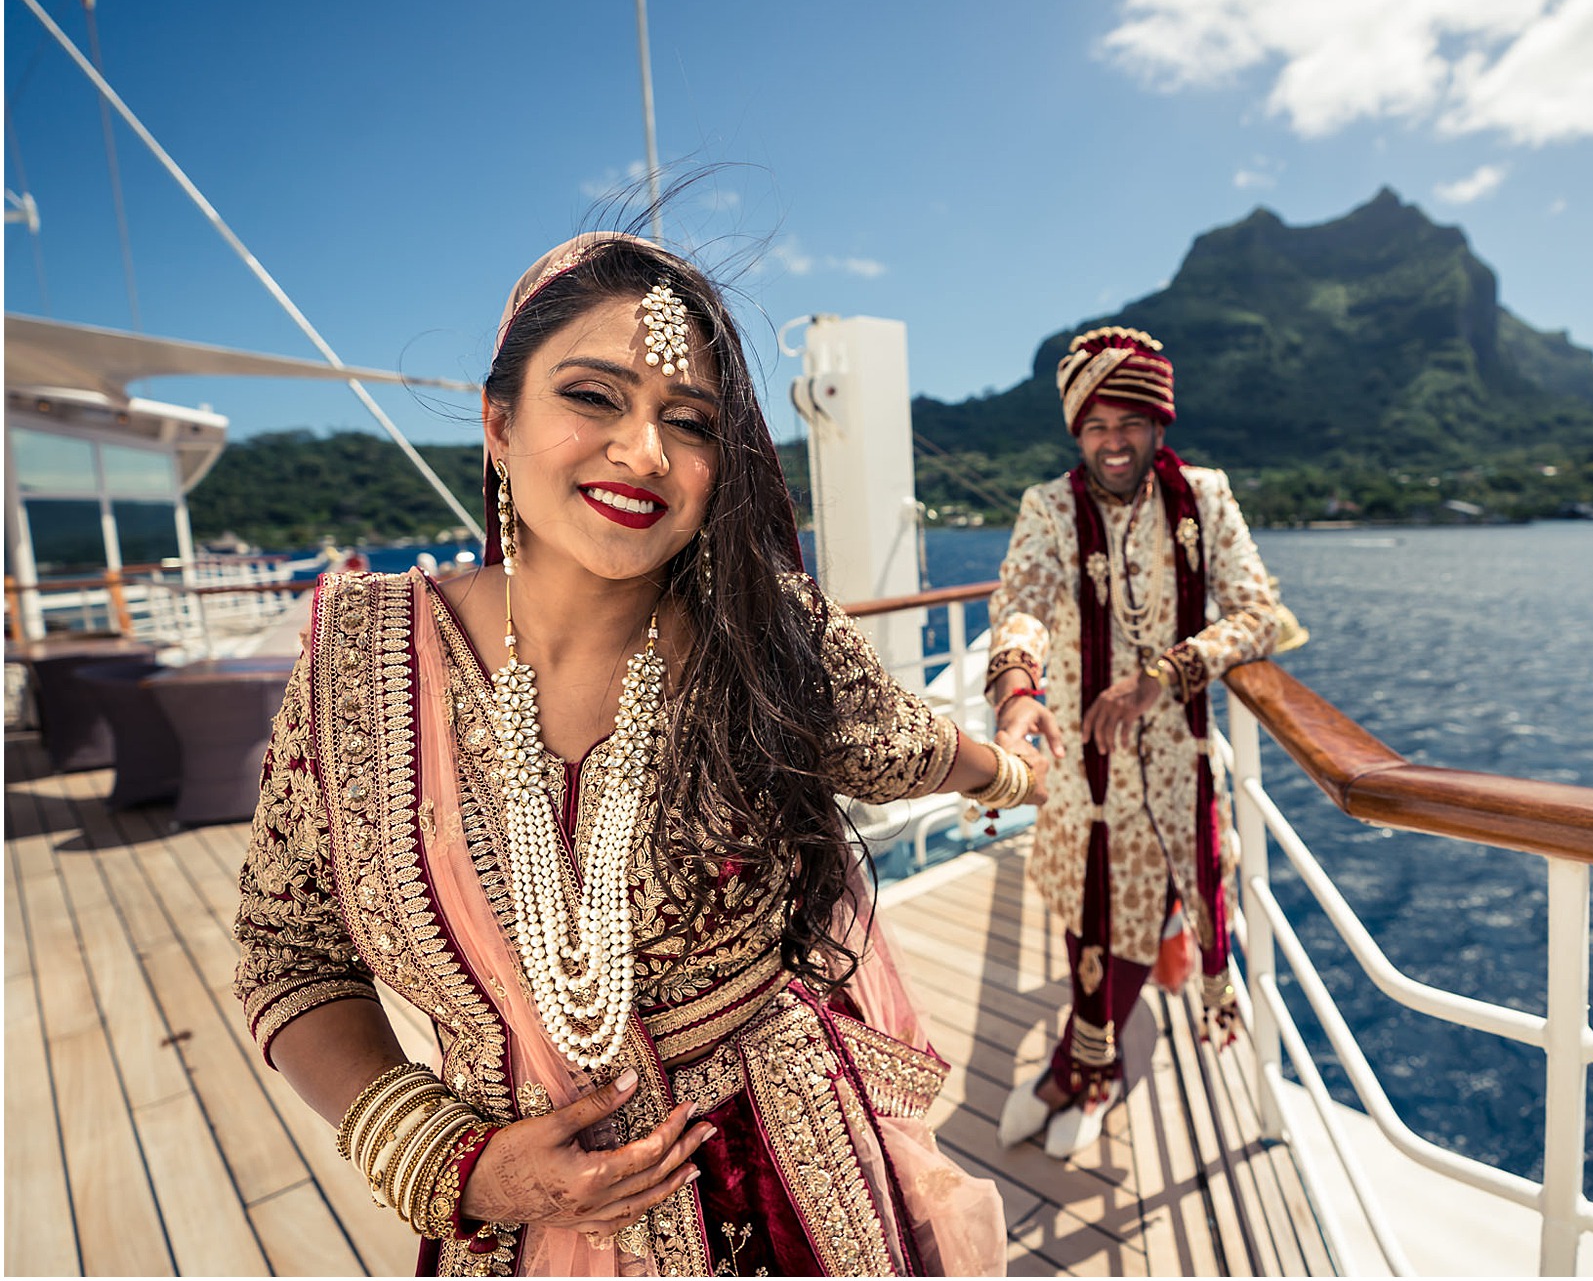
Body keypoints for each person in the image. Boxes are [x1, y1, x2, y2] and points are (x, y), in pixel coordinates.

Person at [232, 229, 1038, 1276]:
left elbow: (903, 748)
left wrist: (1019, 767)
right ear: (496, 420)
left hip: (788, 1188)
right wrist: (445, 1157)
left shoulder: (762, 637)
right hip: (510, 1224)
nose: (644, 452)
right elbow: (286, 948)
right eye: (593, 397)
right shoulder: (358, 653)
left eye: (689, 422)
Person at [985, 326, 1279, 1159]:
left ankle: (1084, 1071)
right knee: (1089, 912)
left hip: (1176, 765)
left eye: (1128, 424)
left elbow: (1259, 614)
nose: (1112, 443)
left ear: (1158, 425)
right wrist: (1018, 691)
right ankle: (1086, 1067)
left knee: (1142, 921)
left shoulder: (1207, 500)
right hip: (1081, 757)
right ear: (1077, 433)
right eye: (1095, 427)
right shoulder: (1048, 508)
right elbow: (1025, 605)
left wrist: (1166, 673)